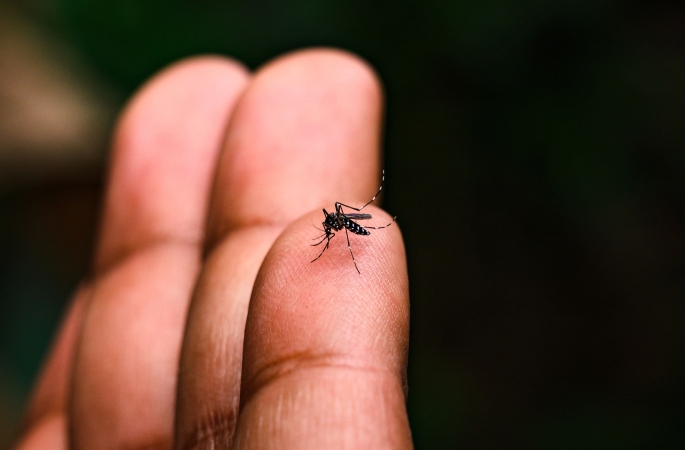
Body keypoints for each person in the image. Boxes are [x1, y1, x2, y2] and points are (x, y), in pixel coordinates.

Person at [15, 48, 411, 449]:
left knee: (343, 223)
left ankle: (366, 216)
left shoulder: (340, 226)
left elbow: (339, 227)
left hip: (356, 235)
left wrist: (339, 235)